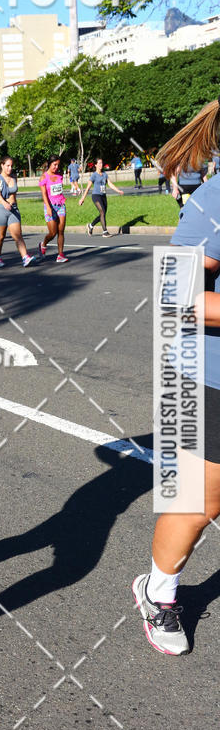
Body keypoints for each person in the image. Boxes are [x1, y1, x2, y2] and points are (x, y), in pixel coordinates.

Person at [133, 97, 220, 655]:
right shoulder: (217, 198)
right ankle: (157, 592)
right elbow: (174, 297)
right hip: (204, 377)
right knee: (199, 502)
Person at [0, 156, 34, 268]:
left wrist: (14, 207)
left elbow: (14, 194)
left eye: (11, 166)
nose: (10, 168)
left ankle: (25, 257)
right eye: (7, 166)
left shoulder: (14, 177)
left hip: (13, 210)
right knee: (0, 236)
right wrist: (4, 203)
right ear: (2, 165)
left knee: (17, 235)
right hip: (1, 210)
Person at [79, 158, 124, 235]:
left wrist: (118, 190)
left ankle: (91, 225)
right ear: (95, 165)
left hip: (103, 196)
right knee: (102, 212)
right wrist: (82, 198)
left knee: (102, 214)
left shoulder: (104, 174)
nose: (101, 165)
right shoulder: (94, 175)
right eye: (99, 163)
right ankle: (105, 231)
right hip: (96, 196)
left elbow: (110, 184)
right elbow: (88, 188)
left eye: (102, 163)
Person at [38, 155, 68, 263]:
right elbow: (44, 194)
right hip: (50, 206)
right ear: (49, 164)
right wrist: (48, 207)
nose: (56, 167)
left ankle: (60, 255)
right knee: (52, 233)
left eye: (58, 165)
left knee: (61, 231)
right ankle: (43, 244)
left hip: (61, 205)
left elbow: (59, 190)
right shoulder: (44, 177)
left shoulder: (59, 175)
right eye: (54, 165)